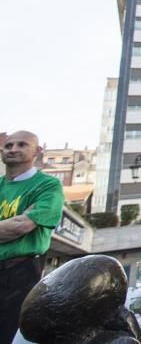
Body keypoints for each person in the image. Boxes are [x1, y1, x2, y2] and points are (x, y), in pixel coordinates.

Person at [0, 131, 64, 343]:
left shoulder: (48, 185)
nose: (13, 149)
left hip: (20, 273)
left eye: (21, 144)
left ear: (37, 151)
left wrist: (20, 223)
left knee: (11, 335)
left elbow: (21, 226)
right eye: (8, 145)